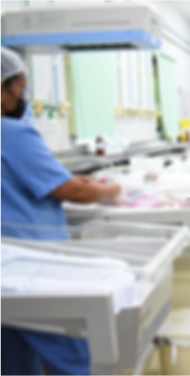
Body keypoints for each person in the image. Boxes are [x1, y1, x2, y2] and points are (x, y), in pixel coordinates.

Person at [0, 47, 121, 376]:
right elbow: (74, 192)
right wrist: (112, 190)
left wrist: (66, 179)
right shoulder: (12, 133)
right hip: (34, 264)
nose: (23, 99)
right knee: (70, 355)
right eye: (20, 91)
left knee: (11, 358)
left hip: (4, 266)